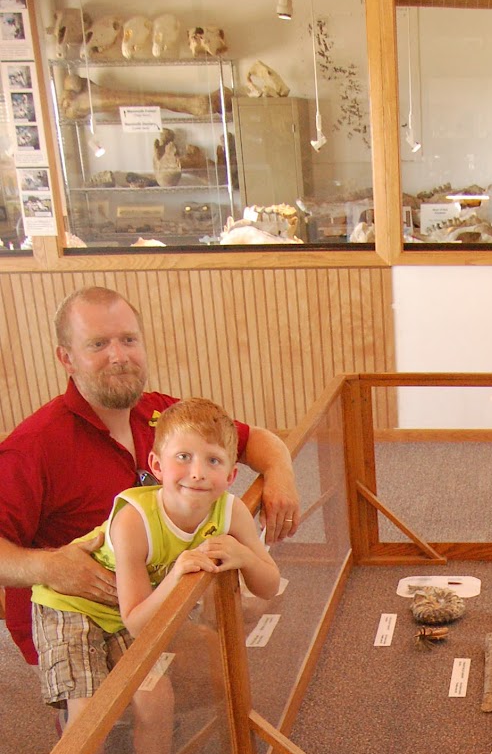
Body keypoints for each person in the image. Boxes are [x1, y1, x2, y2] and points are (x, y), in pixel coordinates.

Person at [30, 398, 280, 754]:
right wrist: (179, 570)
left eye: (213, 460)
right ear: (156, 465)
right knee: (88, 707)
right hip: (72, 605)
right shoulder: (134, 519)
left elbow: (267, 587)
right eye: (182, 457)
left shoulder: (228, 511)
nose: (196, 472)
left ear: (231, 475)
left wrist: (248, 558)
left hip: (130, 604)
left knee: (155, 695)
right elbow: (137, 620)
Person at [0, 285, 299, 668]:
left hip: (153, 594)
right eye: (98, 345)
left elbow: (254, 439)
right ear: (67, 358)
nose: (119, 357)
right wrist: (48, 566)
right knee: (213, 664)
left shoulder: (159, 413)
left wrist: (280, 472)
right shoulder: (34, 447)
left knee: (246, 638)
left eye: (128, 340)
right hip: (82, 619)